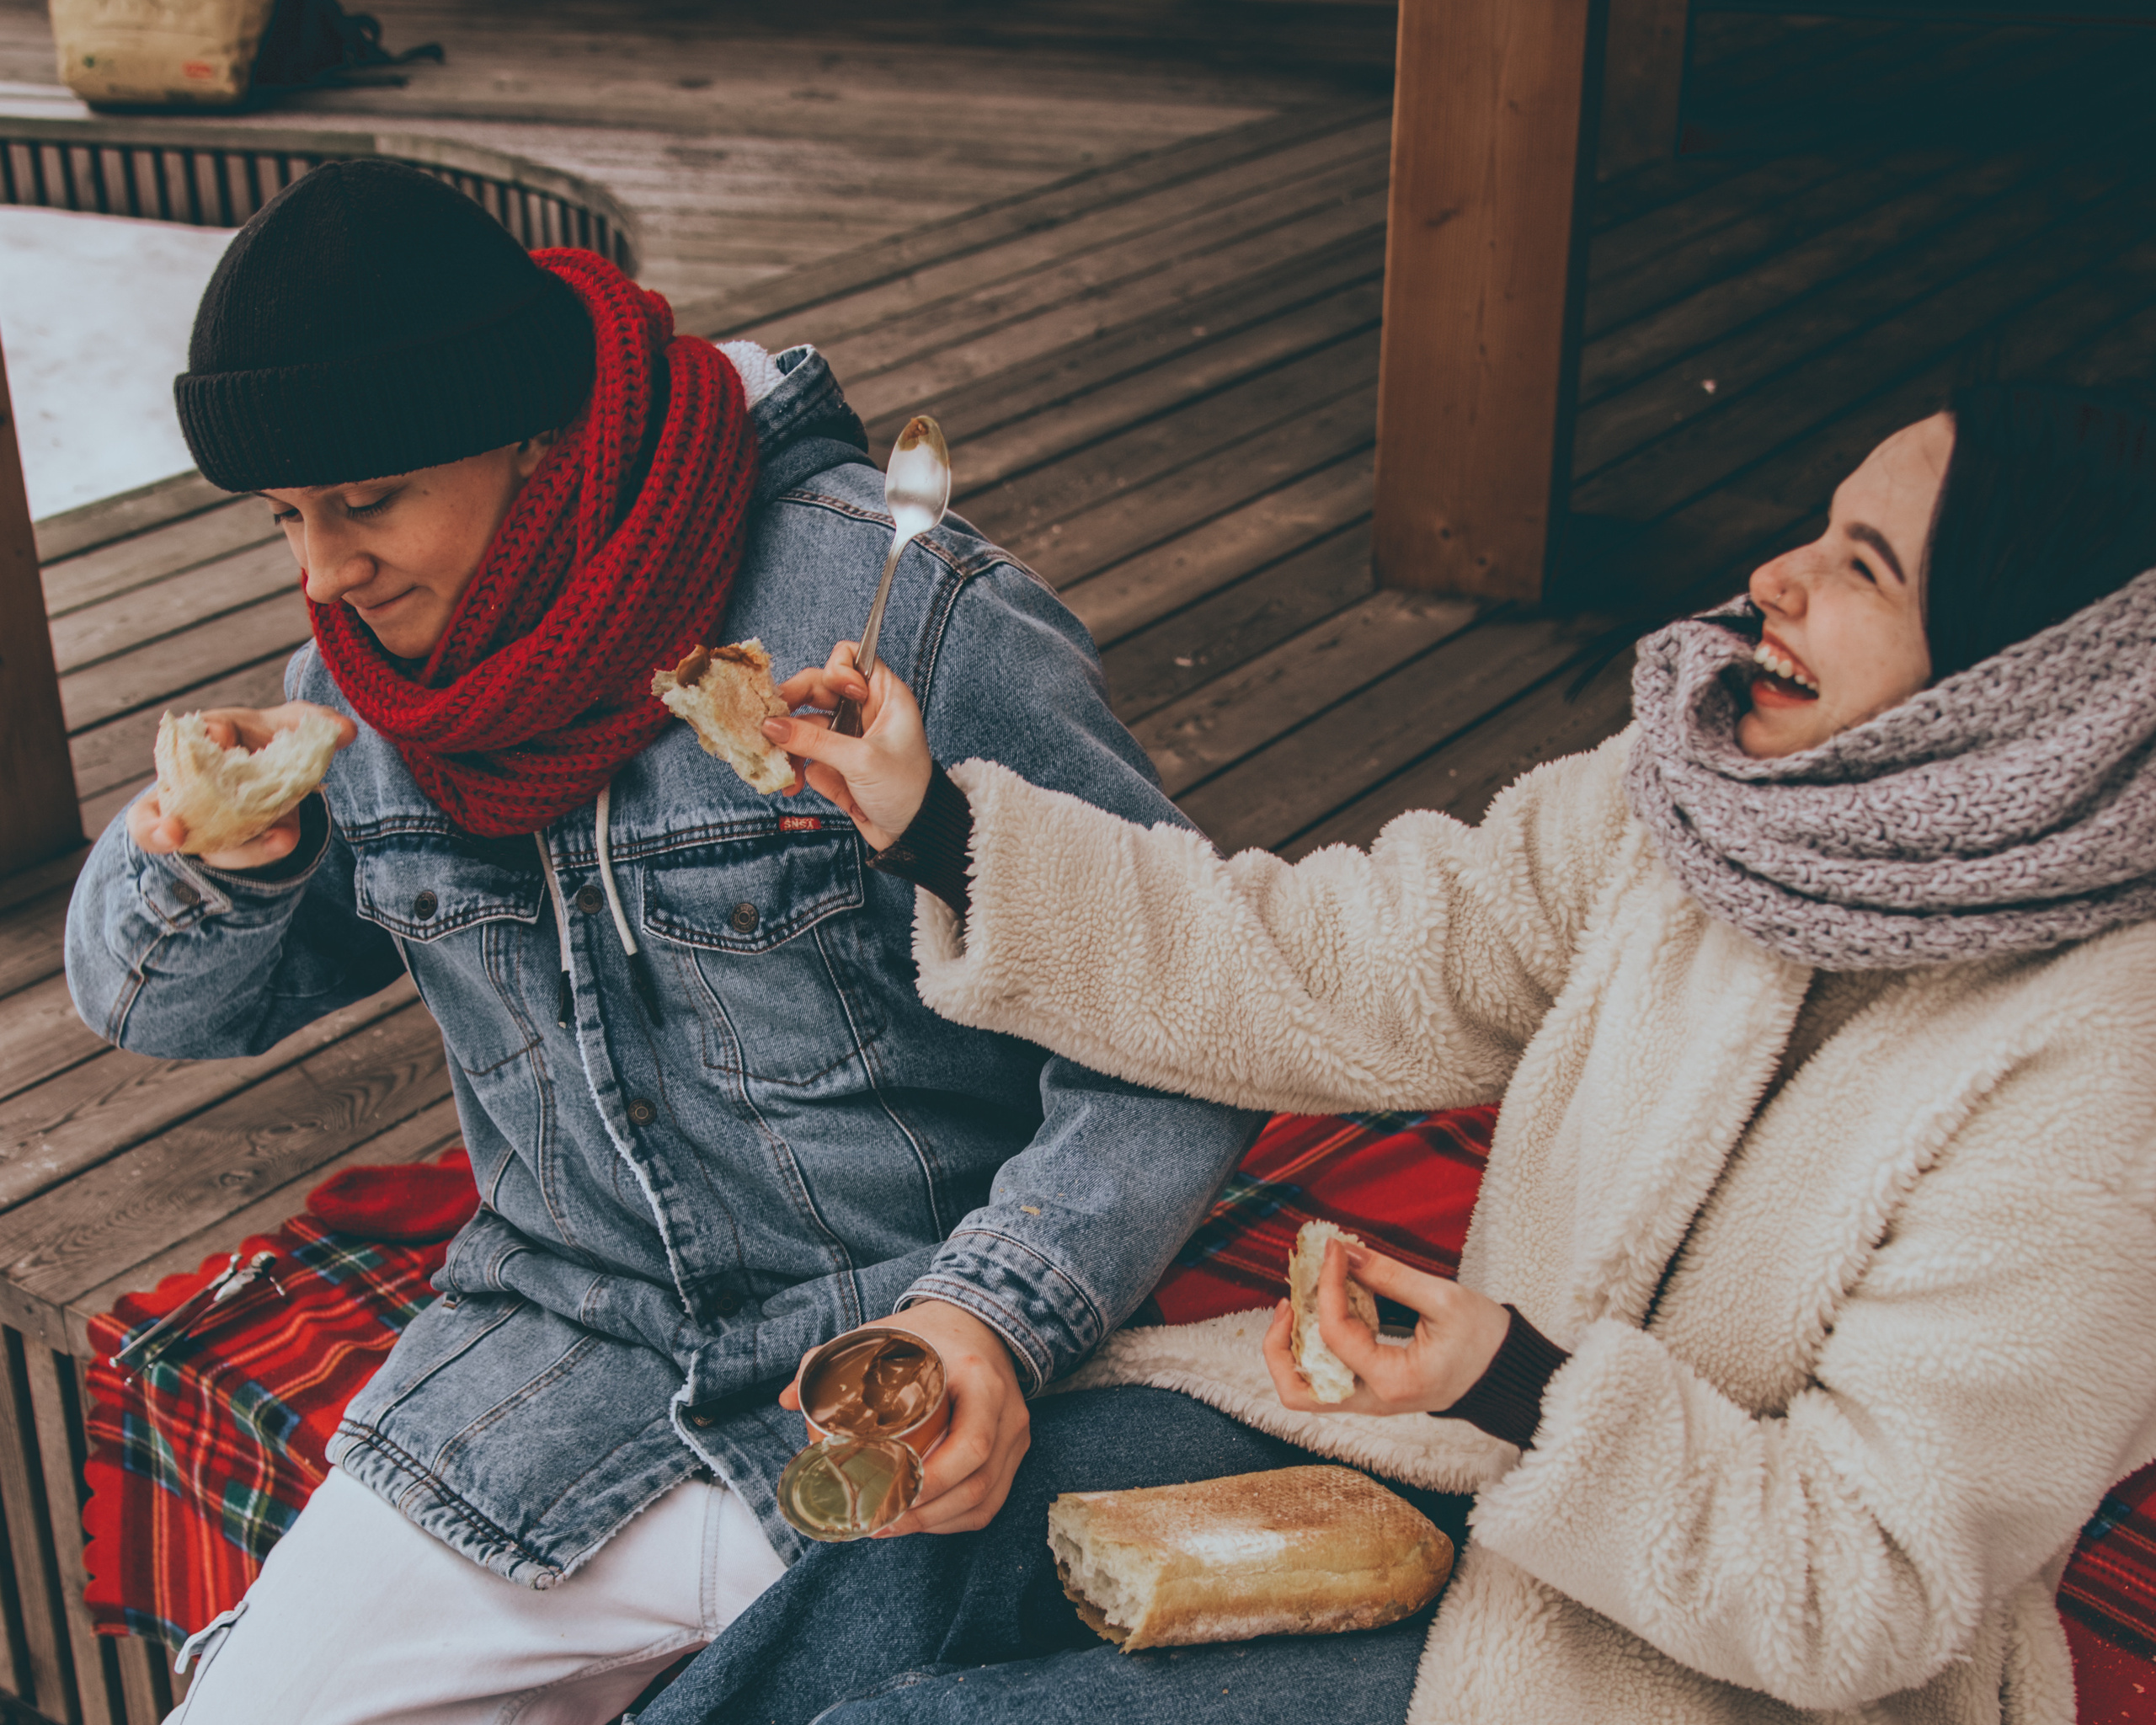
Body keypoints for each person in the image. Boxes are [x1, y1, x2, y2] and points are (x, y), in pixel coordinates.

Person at [651, 384, 2156, 1725]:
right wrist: (944, 827)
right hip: (1472, 1465)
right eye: (1823, 530)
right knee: (888, 1582)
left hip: (1705, 1670)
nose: (1779, 575)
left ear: (2015, 685)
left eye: (1863, 568)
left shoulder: (2100, 1067)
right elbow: (1330, 960)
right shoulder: (1691, 802)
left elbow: (1866, 1590)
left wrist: (1517, 1382)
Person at [63, 160, 1262, 1723]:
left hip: (922, 1362)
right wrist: (197, 854)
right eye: (285, 516)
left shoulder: (895, 612)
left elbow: (1184, 1010)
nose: (321, 573)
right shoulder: (363, 696)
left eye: (367, 502)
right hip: (563, 1367)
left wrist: (1001, 1311)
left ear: (537, 440)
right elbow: (155, 1008)